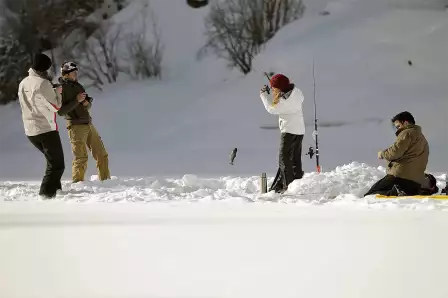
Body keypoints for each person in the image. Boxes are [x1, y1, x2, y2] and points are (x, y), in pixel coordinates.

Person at [17, 53, 65, 198]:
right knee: (57, 165)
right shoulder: (43, 84)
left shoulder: (23, 82)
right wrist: (57, 92)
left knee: (52, 162)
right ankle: (45, 195)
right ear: (44, 68)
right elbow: (56, 106)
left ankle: (56, 191)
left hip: (30, 131)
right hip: (45, 129)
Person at [57, 61, 111, 183]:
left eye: (76, 72)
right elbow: (60, 111)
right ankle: (77, 186)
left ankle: (106, 182)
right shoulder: (61, 89)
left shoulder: (78, 86)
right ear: (66, 73)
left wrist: (87, 103)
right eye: (73, 72)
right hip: (75, 126)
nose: (76, 74)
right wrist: (76, 100)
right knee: (81, 158)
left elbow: (85, 106)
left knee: (102, 154)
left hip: (88, 123)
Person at [364, 111, 429, 197]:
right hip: (416, 180)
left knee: (370, 195)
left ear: (406, 122)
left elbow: (395, 152)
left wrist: (382, 154)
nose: (397, 129)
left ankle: (397, 193)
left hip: (400, 176)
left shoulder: (407, 133)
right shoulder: (422, 138)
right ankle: (405, 192)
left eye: (398, 126)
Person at [260, 73, 305, 193]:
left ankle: (287, 187)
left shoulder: (285, 102)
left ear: (280, 88)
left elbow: (272, 109)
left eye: (274, 88)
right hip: (299, 131)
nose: (273, 90)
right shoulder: (297, 92)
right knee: (295, 159)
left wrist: (263, 95)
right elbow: (280, 101)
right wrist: (277, 94)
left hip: (288, 132)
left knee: (284, 160)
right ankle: (295, 183)